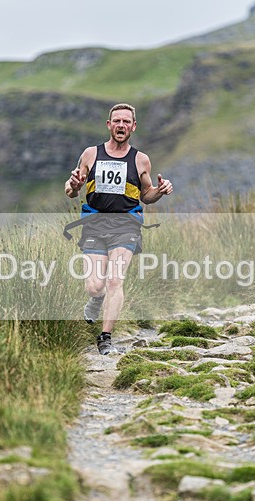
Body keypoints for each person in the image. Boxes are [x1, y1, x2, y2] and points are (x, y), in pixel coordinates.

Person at [65, 103, 173, 355]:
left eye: (126, 121)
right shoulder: (91, 154)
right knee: (94, 286)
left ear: (133, 127)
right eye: (117, 121)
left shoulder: (140, 159)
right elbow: (71, 191)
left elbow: (146, 195)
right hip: (93, 224)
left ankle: (105, 337)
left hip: (126, 225)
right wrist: (73, 185)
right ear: (109, 125)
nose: (121, 125)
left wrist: (160, 190)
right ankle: (96, 300)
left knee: (115, 280)